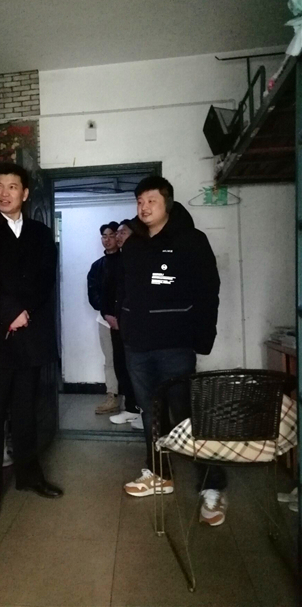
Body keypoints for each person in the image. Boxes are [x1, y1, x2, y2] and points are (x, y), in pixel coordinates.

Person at [120, 176, 227, 527]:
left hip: (175, 345)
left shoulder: (191, 241)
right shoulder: (133, 244)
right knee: (150, 414)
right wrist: (125, 325)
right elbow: (126, 289)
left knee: (185, 413)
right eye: (139, 201)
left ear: (167, 202)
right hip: (138, 346)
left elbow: (208, 291)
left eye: (151, 200)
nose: (144, 207)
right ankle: (159, 473)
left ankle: (212, 484)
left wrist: (203, 338)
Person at [0, 162, 63, 524]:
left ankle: (29, 476)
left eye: (12, 186)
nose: (4, 193)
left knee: (26, 413)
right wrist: (10, 312)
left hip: (31, 335)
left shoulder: (40, 232)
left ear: (25, 193)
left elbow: (46, 278)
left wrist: (26, 311)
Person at [109, 219, 143, 428]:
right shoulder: (117, 259)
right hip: (116, 322)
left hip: (132, 323)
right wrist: (109, 314)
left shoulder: (139, 259)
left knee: (135, 369)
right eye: (118, 233)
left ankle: (140, 410)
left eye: (123, 233)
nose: (118, 236)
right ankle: (131, 408)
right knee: (122, 367)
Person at [87, 222, 121, 415]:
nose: (107, 240)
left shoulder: (128, 261)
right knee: (110, 359)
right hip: (104, 320)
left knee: (130, 359)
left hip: (127, 320)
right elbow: (93, 295)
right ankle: (112, 396)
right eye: (104, 236)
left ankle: (133, 400)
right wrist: (107, 314)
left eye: (111, 235)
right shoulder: (97, 266)